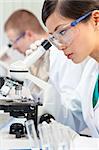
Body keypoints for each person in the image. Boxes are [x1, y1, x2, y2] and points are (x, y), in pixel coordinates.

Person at [42, 0, 99, 137]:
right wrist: (40, 82)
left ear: (95, 20)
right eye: (54, 38)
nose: (60, 46)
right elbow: (73, 119)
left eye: (62, 32)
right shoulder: (92, 69)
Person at [4, 9, 86, 101]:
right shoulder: (35, 59)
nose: (14, 47)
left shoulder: (64, 52)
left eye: (14, 41)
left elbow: (70, 106)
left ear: (28, 35)